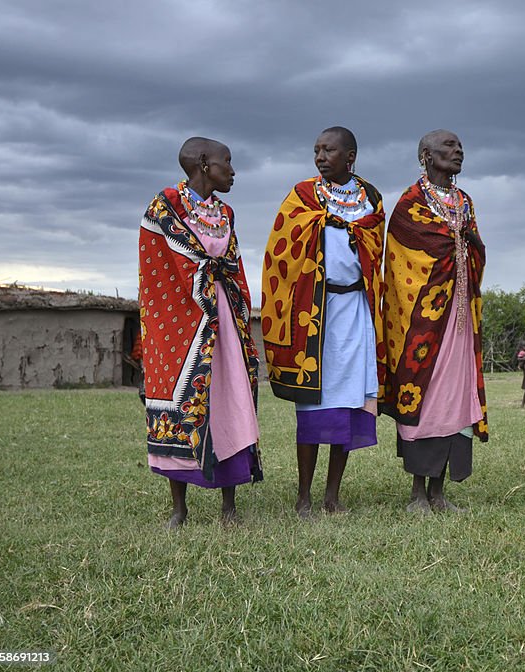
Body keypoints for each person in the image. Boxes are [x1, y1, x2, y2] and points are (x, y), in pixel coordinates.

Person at [261, 126, 384, 516]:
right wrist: (322, 224)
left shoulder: (372, 198)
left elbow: (376, 247)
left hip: (356, 311)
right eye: (316, 150)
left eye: (328, 150)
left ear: (350, 157)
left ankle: (332, 496)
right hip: (314, 313)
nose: (319, 157)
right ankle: (303, 497)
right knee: (312, 407)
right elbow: (280, 250)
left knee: (347, 405)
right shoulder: (302, 195)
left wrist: (345, 229)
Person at [139, 137, 262, 528]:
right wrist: (208, 277)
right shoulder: (164, 207)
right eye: (228, 161)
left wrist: (239, 311)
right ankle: (179, 508)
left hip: (223, 320)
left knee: (229, 400)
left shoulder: (225, 212)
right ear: (205, 163)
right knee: (182, 405)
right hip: (181, 323)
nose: (233, 170)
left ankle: (229, 507)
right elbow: (163, 266)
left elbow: (234, 264)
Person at [381, 130, 487, 513]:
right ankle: (416, 493)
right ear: (425, 155)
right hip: (422, 321)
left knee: (454, 399)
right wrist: (451, 244)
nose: (458, 151)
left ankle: (439, 493)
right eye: (449, 146)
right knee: (424, 399)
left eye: (460, 146)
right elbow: (401, 260)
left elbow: (473, 247)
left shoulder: (464, 201)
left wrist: (468, 243)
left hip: (459, 319)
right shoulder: (410, 204)